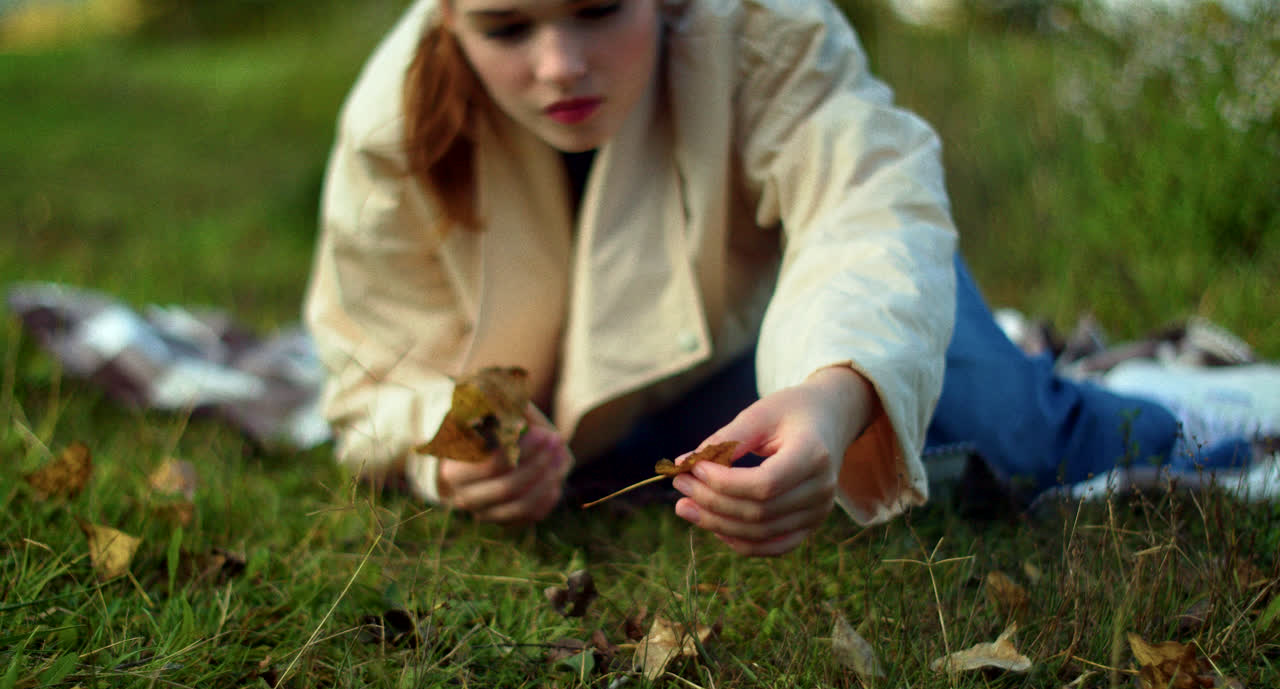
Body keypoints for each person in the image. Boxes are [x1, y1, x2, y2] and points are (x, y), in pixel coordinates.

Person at [304, 0, 1274, 557]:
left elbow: (865, 208)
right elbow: (377, 367)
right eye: (506, 27)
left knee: (1027, 433)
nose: (559, 64)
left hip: (770, 346)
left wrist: (830, 394)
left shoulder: (758, 24)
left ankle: (1222, 430)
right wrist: (462, 452)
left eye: (599, 6)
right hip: (595, 428)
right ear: (448, 20)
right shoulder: (392, 124)